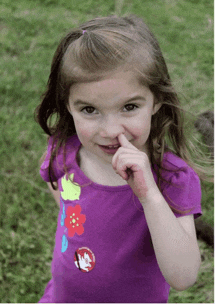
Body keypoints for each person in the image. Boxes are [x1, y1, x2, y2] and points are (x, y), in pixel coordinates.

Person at [35, 15, 205, 303]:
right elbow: (57, 184)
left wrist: (150, 196)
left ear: (157, 100)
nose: (110, 131)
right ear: (68, 106)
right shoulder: (65, 149)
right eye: (89, 110)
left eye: (129, 107)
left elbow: (184, 277)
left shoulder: (171, 178)